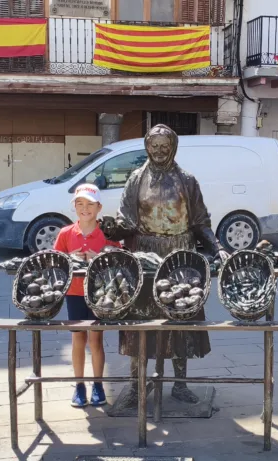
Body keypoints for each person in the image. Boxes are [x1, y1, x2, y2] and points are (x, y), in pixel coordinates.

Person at [102, 124, 231, 412]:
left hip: (179, 254)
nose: (159, 153)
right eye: (153, 147)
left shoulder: (187, 180)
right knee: (139, 321)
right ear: (146, 147)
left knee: (181, 317)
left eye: (164, 147)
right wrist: (112, 230)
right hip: (144, 253)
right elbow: (127, 223)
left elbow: (200, 221)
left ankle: (181, 384)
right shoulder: (136, 179)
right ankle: (136, 386)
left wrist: (216, 246)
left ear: (173, 147)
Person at [53, 183, 120, 408]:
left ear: (99, 207)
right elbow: (56, 263)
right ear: (74, 207)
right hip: (74, 293)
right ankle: (79, 385)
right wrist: (69, 259)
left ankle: (98, 384)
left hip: (101, 294)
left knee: (96, 339)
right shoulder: (65, 234)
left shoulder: (108, 234)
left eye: (90, 204)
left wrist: (99, 258)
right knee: (78, 339)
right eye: (80, 204)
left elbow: (119, 263)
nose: (85, 209)